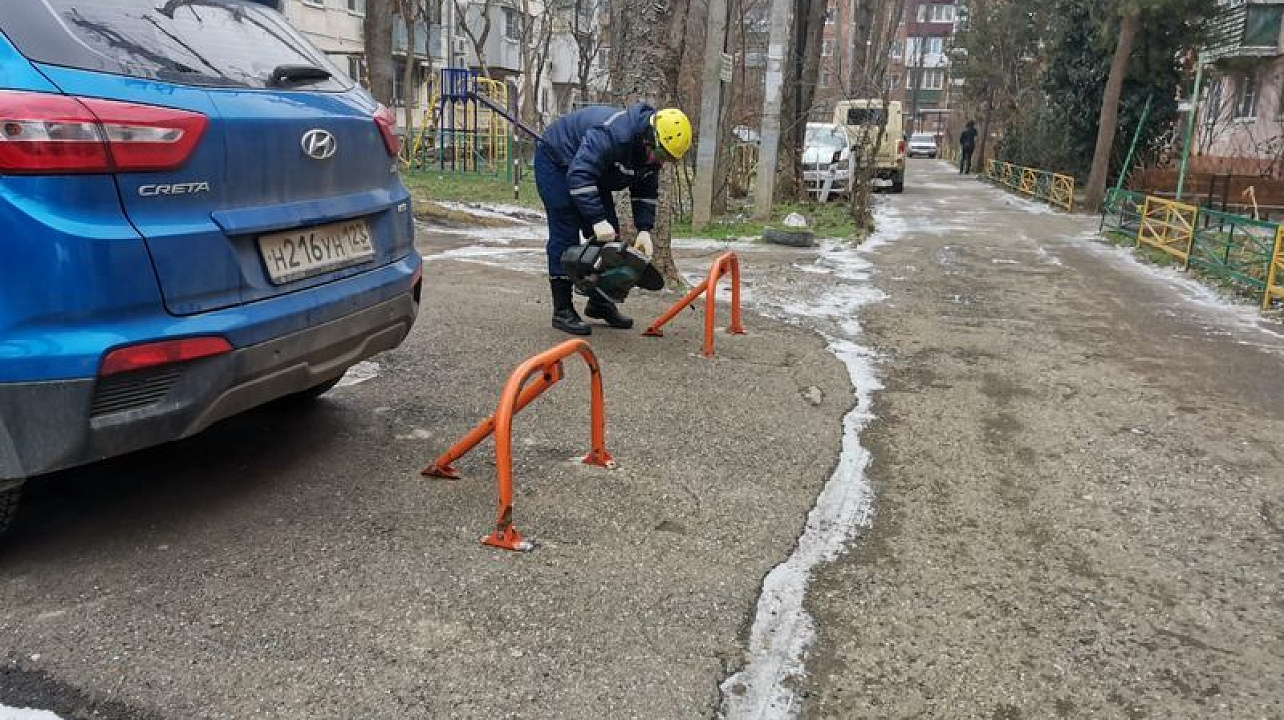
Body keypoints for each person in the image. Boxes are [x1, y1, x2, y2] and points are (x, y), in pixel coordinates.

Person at [534, 103, 693, 335]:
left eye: (668, 159)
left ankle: (599, 303)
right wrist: (596, 220)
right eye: (660, 155)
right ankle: (562, 309)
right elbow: (580, 174)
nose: (660, 162)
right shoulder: (614, 135)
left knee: (611, 241)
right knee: (565, 231)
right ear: (650, 137)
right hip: (557, 160)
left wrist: (644, 229)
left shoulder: (652, 156)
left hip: (591, 173)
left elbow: (645, 193)